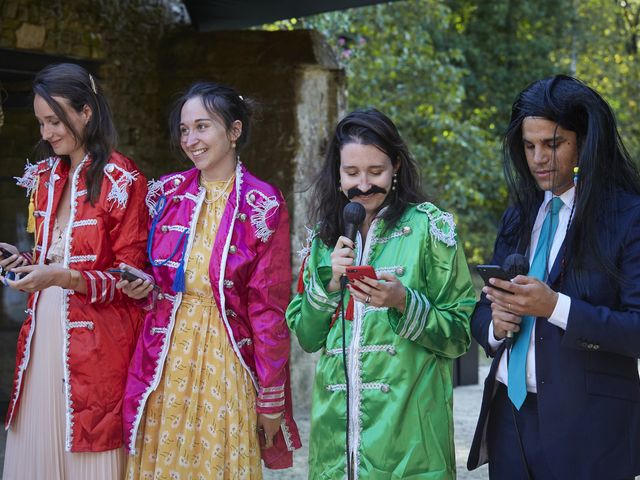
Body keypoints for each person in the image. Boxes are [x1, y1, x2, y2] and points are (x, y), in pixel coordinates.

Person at [121, 82, 301, 479]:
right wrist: (141, 287)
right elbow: (147, 271)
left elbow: (268, 305)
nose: (191, 139)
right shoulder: (164, 194)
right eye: (185, 130)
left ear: (234, 131)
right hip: (164, 356)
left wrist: (270, 397)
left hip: (227, 355)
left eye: (202, 127)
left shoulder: (262, 204)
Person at [286, 108, 476, 479]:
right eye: (352, 173)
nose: (363, 184)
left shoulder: (429, 229)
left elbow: (460, 335)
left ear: (397, 167)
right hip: (336, 442)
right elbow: (308, 339)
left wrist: (403, 302)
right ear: (337, 174)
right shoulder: (324, 239)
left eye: (376, 172)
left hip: (410, 438)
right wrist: (328, 287)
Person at [467, 75, 640, 479]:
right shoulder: (519, 214)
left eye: (553, 144)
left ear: (584, 141)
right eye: (529, 146)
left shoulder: (628, 217)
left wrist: (555, 307)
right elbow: (481, 311)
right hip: (509, 419)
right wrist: (494, 325)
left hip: (590, 431)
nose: (538, 158)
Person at [1, 63, 148, 479]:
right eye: (41, 122)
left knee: (87, 445)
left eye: (54, 120)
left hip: (97, 347)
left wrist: (62, 278)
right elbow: (51, 258)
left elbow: (131, 278)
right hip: (41, 337)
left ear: (86, 111)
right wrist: (21, 261)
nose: (46, 133)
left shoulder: (124, 179)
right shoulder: (45, 176)